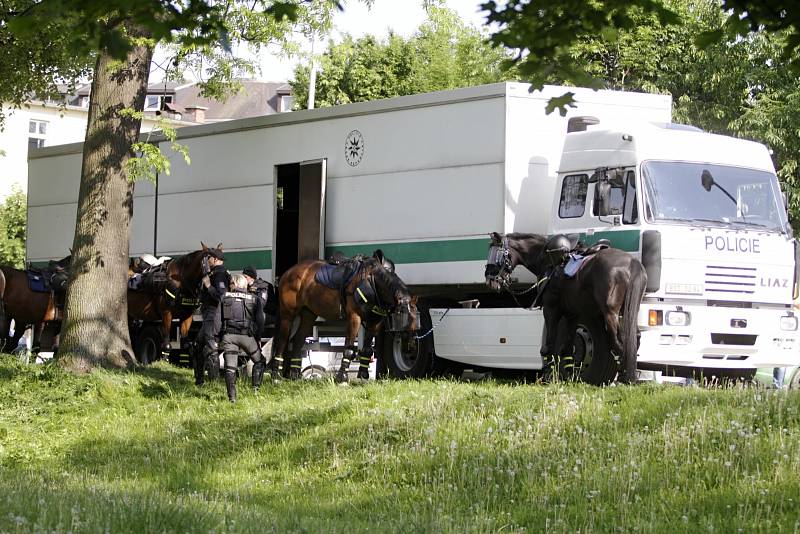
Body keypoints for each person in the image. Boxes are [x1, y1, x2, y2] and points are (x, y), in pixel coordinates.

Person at [220, 274, 266, 402]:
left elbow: (218, 320)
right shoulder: (255, 299)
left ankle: (232, 398)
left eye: (231, 283)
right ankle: (256, 391)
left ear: (234, 284)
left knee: (230, 367)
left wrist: (216, 338)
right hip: (247, 336)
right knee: (260, 361)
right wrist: (258, 338)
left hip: (229, 337)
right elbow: (260, 322)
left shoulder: (224, 297)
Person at [194, 247, 230, 386]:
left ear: (215, 259)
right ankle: (199, 380)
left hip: (213, 314)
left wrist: (208, 286)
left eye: (209, 258)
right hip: (210, 314)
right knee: (198, 345)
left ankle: (214, 382)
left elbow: (221, 296)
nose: (207, 261)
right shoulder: (216, 272)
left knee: (210, 346)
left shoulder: (219, 274)